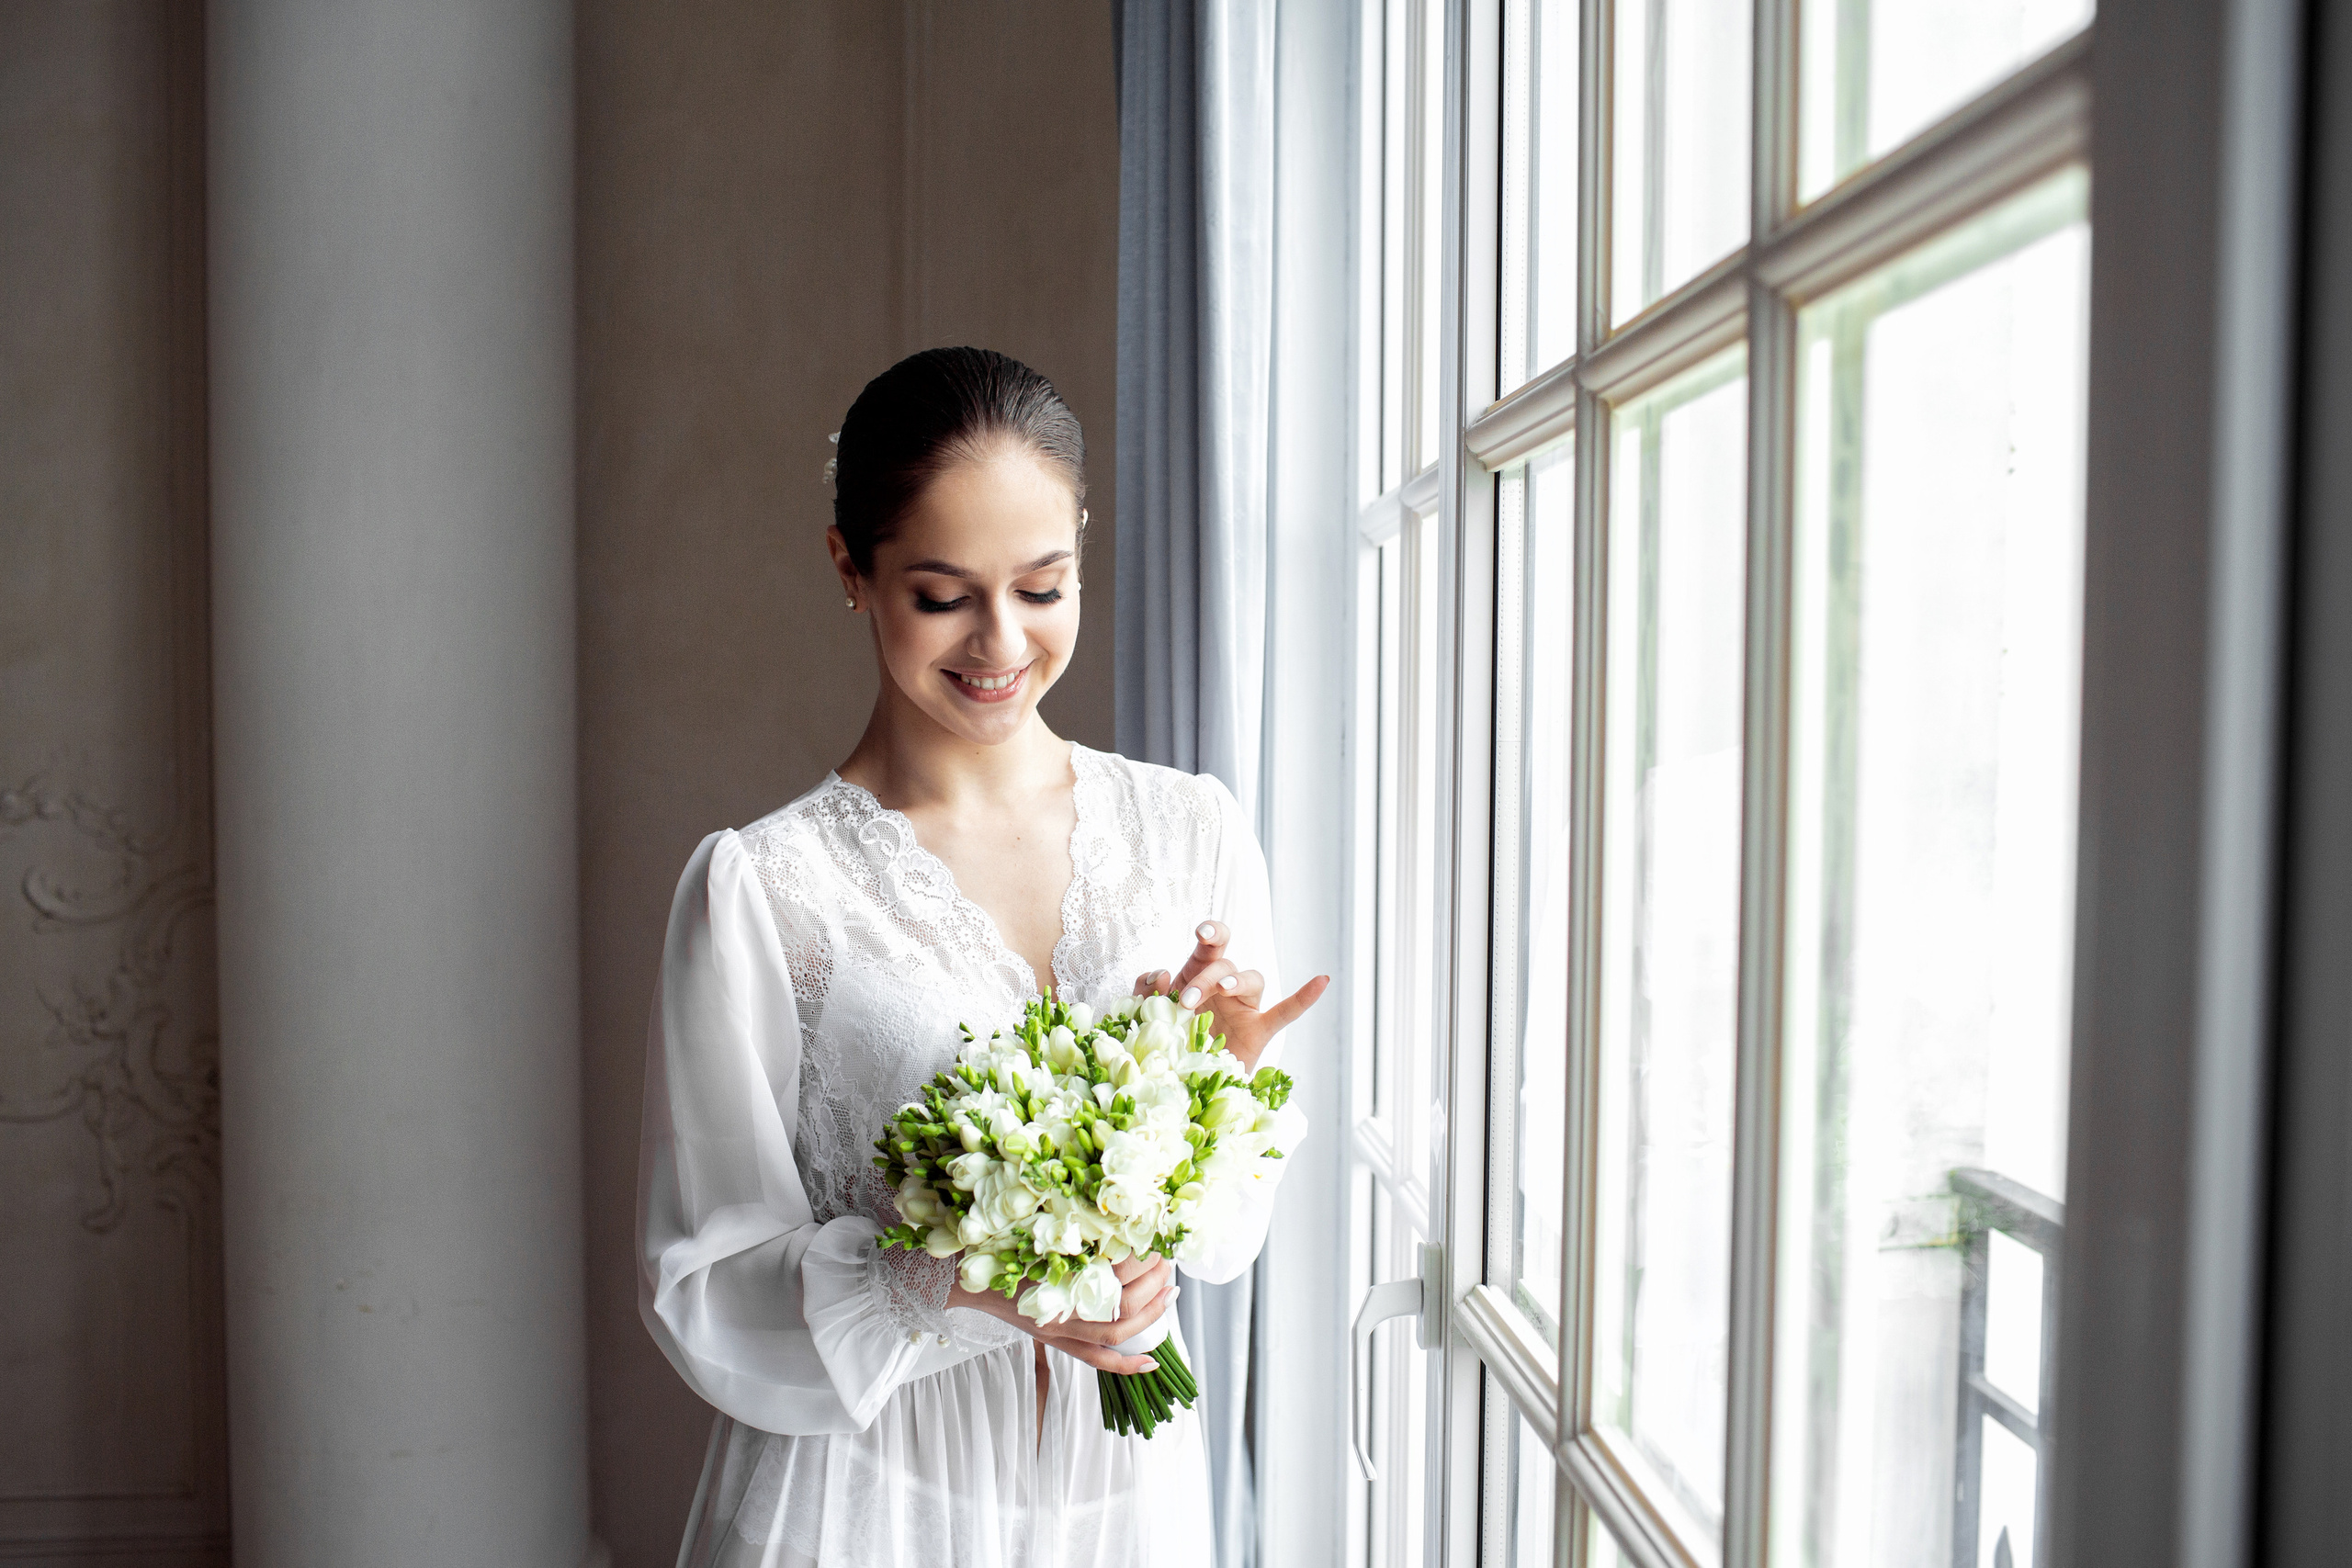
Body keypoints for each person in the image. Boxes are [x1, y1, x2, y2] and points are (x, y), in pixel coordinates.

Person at [639, 347, 1329, 1567]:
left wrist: (1213, 1094)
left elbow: (1222, 1244)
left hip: (1123, 1503)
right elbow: (703, 1283)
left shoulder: (1190, 833)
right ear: (853, 569)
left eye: (1043, 586)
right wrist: (950, 1284)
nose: (1001, 643)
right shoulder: (764, 892)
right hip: (871, 1504)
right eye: (944, 595)